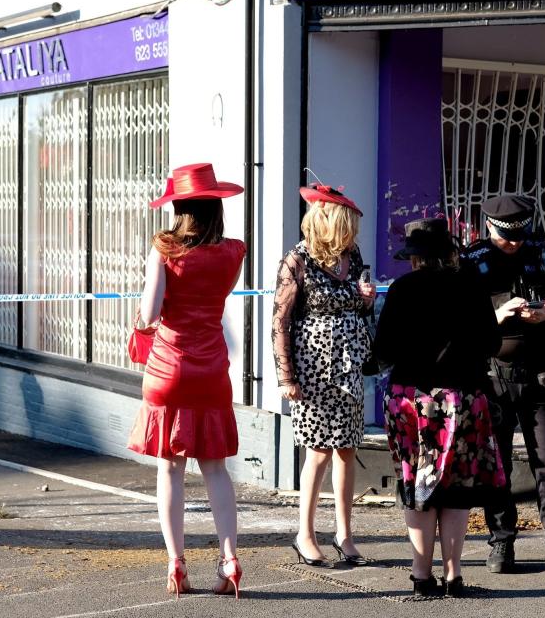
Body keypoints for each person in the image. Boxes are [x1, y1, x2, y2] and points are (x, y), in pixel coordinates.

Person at [126, 163, 246, 599]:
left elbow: (150, 314)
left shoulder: (165, 249)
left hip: (167, 370)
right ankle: (229, 559)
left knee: (170, 468)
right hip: (211, 369)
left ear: (179, 206)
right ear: (215, 206)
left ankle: (177, 564)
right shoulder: (234, 252)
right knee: (215, 467)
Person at [373, 218, 505, 597]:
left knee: (416, 484)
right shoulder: (472, 287)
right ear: (450, 252)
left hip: (410, 401)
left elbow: (382, 353)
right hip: (461, 399)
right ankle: (454, 575)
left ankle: (420, 576)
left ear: (415, 258)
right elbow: (493, 346)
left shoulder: (401, 289)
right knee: (457, 489)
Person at [460, 194, 545, 576]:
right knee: (496, 467)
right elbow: (460, 323)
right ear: (490, 228)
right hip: (492, 377)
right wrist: (498, 315)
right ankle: (501, 540)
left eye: (519, 235)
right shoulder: (473, 260)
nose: (512, 243)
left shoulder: (542, 252)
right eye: (505, 237)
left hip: (540, 375)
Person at [271, 182, 375, 568]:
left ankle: (345, 535)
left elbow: (361, 307)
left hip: (348, 366)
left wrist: (367, 299)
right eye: (348, 224)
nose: (354, 233)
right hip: (313, 366)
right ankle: (305, 534)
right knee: (318, 451)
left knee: (347, 449)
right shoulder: (296, 261)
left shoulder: (353, 254)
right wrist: (286, 376)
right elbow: (279, 321)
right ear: (330, 222)